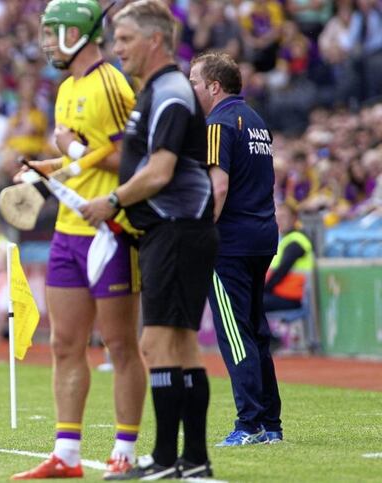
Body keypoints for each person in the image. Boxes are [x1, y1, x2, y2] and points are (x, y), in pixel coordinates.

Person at [81, 0, 218, 478]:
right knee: (179, 347)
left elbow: (159, 172)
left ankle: (165, 459)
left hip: (176, 229)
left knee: (158, 345)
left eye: (123, 40)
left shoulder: (172, 92)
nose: (116, 49)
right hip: (174, 230)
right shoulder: (159, 90)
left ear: (154, 40)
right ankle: (194, 460)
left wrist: (112, 202)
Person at [11, 0, 146, 479]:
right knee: (64, 342)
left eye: (53, 32)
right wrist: (46, 168)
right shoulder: (67, 88)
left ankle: (124, 451)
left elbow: (132, 158)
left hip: (110, 230)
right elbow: (82, 158)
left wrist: (66, 147)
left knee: (119, 344)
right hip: (68, 230)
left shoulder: (111, 83)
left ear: (78, 32)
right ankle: (67, 454)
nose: (46, 41)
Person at [189, 51, 284, 446]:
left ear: (214, 86)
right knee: (256, 330)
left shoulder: (217, 123)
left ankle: (249, 423)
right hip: (262, 235)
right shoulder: (256, 121)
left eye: (193, 82)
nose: (189, 89)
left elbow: (219, 186)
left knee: (235, 331)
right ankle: (271, 423)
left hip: (229, 242)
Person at [264, 202, 314, 312]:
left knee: (245, 304)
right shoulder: (284, 240)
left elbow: (281, 271)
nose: (280, 220)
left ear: (294, 219)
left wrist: (264, 290)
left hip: (291, 297)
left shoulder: (297, 240)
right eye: (277, 217)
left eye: (284, 217)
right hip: (279, 294)